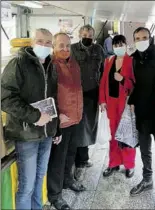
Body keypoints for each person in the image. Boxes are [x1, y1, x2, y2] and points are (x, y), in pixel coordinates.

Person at [1, 28, 60, 210]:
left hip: (46, 134)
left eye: (48, 42)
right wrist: (34, 116)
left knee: (39, 179)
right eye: (40, 41)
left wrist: (55, 128)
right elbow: (5, 98)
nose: (44, 45)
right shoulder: (18, 63)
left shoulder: (51, 65)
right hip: (26, 135)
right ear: (32, 42)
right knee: (26, 186)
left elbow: (53, 99)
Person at [128, 27, 155, 208]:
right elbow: (139, 84)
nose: (141, 40)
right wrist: (133, 100)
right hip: (142, 113)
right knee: (144, 150)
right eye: (137, 38)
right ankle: (147, 179)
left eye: (144, 37)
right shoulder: (135, 58)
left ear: (150, 38)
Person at [47, 33, 85, 210]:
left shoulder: (73, 63)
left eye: (68, 45)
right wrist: (56, 117)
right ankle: (55, 195)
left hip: (76, 118)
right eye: (61, 45)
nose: (65, 49)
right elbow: (48, 96)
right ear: (53, 47)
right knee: (58, 158)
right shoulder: (52, 66)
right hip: (61, 121)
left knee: (71, 154)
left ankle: (67, 180)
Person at [70, 24, 105, 181]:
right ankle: (79, 162)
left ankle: (83, 157)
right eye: (84, 34)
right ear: (79, 34)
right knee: (79, 127)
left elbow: (103, 72)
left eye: (90, 34)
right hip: (76, 94)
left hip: (93, 93)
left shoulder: (99, 50)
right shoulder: (71, 49)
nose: (87, 36)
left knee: (90, 126)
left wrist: (103, 97)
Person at [99, 34, 136, 178]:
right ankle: (113, 163)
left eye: (121, 44)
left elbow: (135, 85)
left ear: (126, 45)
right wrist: (102, 100)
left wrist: (123, 80)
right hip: (111, 103)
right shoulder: (109, 60)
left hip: (125, 105)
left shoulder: (132, 61)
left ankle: (129, 165)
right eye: (116, 45)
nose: (118, 48)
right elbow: (103, 82)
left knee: (126, 135)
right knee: (113, 135)